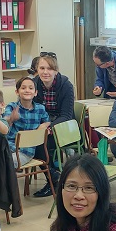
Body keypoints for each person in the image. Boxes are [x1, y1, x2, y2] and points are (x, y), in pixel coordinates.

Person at [32, 53, 75, 197]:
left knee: (40, 142)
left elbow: (66, 115)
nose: (45, 72)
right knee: (29, 139)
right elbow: (32, 109)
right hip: (42, 123)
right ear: (37, 69)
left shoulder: (66, 85)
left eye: (49, 69)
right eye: (42, 68)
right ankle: (54, 175)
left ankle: (53, 179)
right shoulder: (34, 84)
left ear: (56, 70)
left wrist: (49, 126)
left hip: (64, 125)